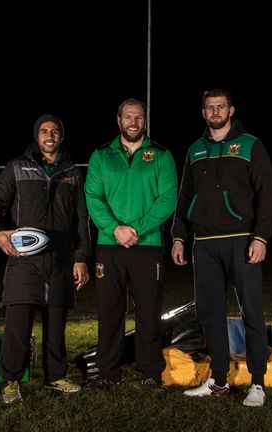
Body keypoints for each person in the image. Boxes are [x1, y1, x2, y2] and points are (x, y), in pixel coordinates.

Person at [171, 89, 272, 407]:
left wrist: (261, 237)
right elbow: (184, 197)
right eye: (209, 108)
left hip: (242, 240)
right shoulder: (195, 149)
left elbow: (268, 195)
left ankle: (257, 384)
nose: (215, 112)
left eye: (221, 107)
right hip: (203, 244)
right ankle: (219, 381)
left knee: (251, 314)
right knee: (210, 315)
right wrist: (179, 236)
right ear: (203, 113)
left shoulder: (250, 145)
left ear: (231, 110)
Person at [0, 114, 91, 404]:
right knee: (18, 325)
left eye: (55, 131)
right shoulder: (17, 167)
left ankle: (55, 377)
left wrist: (80, 258)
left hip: (59, 260)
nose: (50, 135)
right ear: (37, 136)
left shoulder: (71, 172)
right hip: (24, 259)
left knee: (56, 324)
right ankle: (10, 382)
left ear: (61, 136)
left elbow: (81, 219)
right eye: (44, 131)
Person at [83, 98, 177, 391]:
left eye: (139, 117)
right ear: (119, 120)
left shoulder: (161, 155)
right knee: (109, 311)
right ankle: (108, 373)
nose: (133, 122)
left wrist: (136, 229)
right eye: (128, 117)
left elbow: (167, 199)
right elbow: (93, 198)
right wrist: (115, 229)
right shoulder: (101, 155)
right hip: (109, 246)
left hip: (147, 245)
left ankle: (150, 372)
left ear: (144, 121)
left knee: (149, 312)